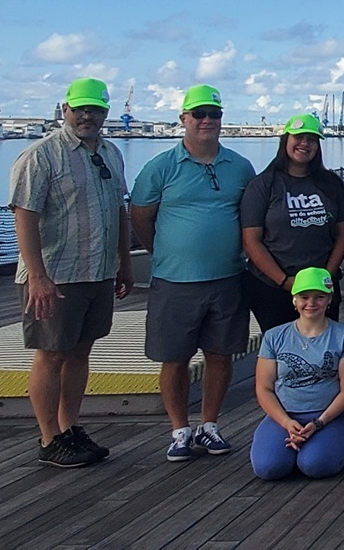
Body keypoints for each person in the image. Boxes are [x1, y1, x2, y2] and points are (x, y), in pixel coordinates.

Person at [9, 77, 133, 468]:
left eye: (95, 109)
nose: (87, 116)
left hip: (96, 270)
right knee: (51, 354)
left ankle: (70, 427)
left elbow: (118, 210)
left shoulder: (111, 153)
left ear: (105, 113)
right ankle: (49, 438)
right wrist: (38, 276)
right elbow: (24, 215)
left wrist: (124, 262)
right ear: (65, 109)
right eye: (80, 108)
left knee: (81, 351)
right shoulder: (41, 156)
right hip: (57, 275)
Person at [130, 84, 257, 463]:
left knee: (221, 356)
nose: (206, 121)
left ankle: (210, 424)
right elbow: (140, 218)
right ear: (183, 119)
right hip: (175, 280)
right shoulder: (159, 168)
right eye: (198, 114)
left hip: (227, 277)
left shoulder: (240, 166)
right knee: (175, 358)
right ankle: (179, 430)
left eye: (213, 115)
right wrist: (165, 252)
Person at [240, 112, 344, 332]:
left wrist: (325, 278)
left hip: (322, 288)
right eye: (298, 137)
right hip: (273, 289)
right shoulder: (263, 185)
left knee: (325, 350)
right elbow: (251, 241)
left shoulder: (331, 184)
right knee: (278, 354)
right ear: (286, 141)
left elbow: (343, 234)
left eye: (311, 139)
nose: (305, 143)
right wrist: (284, 281)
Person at [250, 267, 344, 480]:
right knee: (268, 468)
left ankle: (324, 445)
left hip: (330, 417)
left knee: (316, 466)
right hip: (285, 416)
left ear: (329, 300)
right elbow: (264, 388)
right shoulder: (274, 336)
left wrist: (319, 423)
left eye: (319, 297)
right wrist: (286, 423)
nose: (311, 303)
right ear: (294, 300)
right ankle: (295, 447)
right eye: (304, 296)